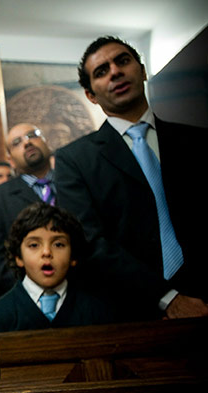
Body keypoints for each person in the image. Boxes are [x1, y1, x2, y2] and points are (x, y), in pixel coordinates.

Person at [54, 36, 208, 321]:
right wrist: (168, 298)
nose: (115, 71)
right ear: (90, 94)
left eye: (123, 61)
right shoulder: (74, 160)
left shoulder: (198, 141)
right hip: (130, 311)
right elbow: (90, 242)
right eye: (101, 71)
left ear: (143, 70)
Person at [0, 203, 114, 333]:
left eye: (58, 244)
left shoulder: (95, 311)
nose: (46, 252)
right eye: (34, 245)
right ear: (18, 257)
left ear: (73, 256)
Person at [0, 124, 55, 296]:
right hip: (26, 296)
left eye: (32, 135)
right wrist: (35, 292)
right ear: (11, 160)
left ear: (46, 142)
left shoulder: (74, 182)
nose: (27, 143)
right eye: (16, 142)